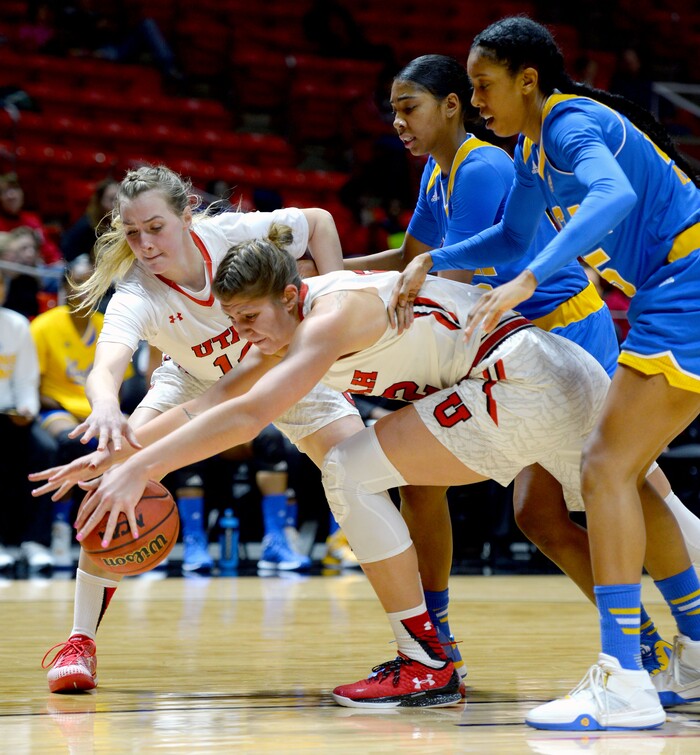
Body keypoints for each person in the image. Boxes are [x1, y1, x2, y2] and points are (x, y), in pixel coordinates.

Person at [33, 230, 613, 710]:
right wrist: (117, 455)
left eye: (249, 316)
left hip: (515, 377)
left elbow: (248, 415)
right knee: (653, 517)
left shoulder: (329, 315)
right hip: (553, 371)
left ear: (288, 296)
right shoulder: (281, 324)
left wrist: (141, 469)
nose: (241, 334)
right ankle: (670, 654)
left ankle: (427, 661)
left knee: (350, 470)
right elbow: (208, 404)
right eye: (232, 320)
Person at [345, 53, 700, 683]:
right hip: (536, 332)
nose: (478, 99)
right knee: (557, 505)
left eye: (481, 86)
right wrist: (337, 275)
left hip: (568, 328)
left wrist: (522, 276)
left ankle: (644, 660)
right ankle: (651, 649)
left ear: (522, 82)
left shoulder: (511, 150)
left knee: (625, 481)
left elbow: (596, 204)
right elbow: (457, 251)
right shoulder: (488, 162)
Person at [37, 164, 365, 694]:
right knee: (114, 476)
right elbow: (106, 365)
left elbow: (321, 222)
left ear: (187, 215)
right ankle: (79, 642)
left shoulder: (230, 235)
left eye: (156, 227)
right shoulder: (137, 292)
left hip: (279, 358)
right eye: (132, 232)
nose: (143, 243)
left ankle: (423, 640)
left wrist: (332, 312)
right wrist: (104, 407)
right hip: (192, 378)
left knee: (366, 469)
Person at [29, 254, 134, 568]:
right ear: (63, 288)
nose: (84, 290)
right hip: (56, 408)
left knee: (136, 440)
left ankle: (120, 527)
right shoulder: (43, 325)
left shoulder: (107, 326)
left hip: (100, 411)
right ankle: (61, 527)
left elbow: (122, 383)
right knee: (71, 441)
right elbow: (31, 383)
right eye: (77, 284)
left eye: (91, 284)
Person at [0, 268, 53, 571]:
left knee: (44, 449)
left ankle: (35, 542)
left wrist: (27, 409)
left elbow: (26, 380)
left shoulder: (17, 326)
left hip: (11, 415)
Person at [0, 173, 62, 265]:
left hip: (38, 272)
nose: (11, 195)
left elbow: (50, 253)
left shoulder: (33, 220)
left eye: (15, 189)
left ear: (22, 193)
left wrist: (59, 265)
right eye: (4, 191)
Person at [60, 178, 119, 263]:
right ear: (99, 202)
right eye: (111, 199)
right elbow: (67, 253)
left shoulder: (128, 223)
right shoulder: (86, 226)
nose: (116, 205)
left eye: (119, 199)